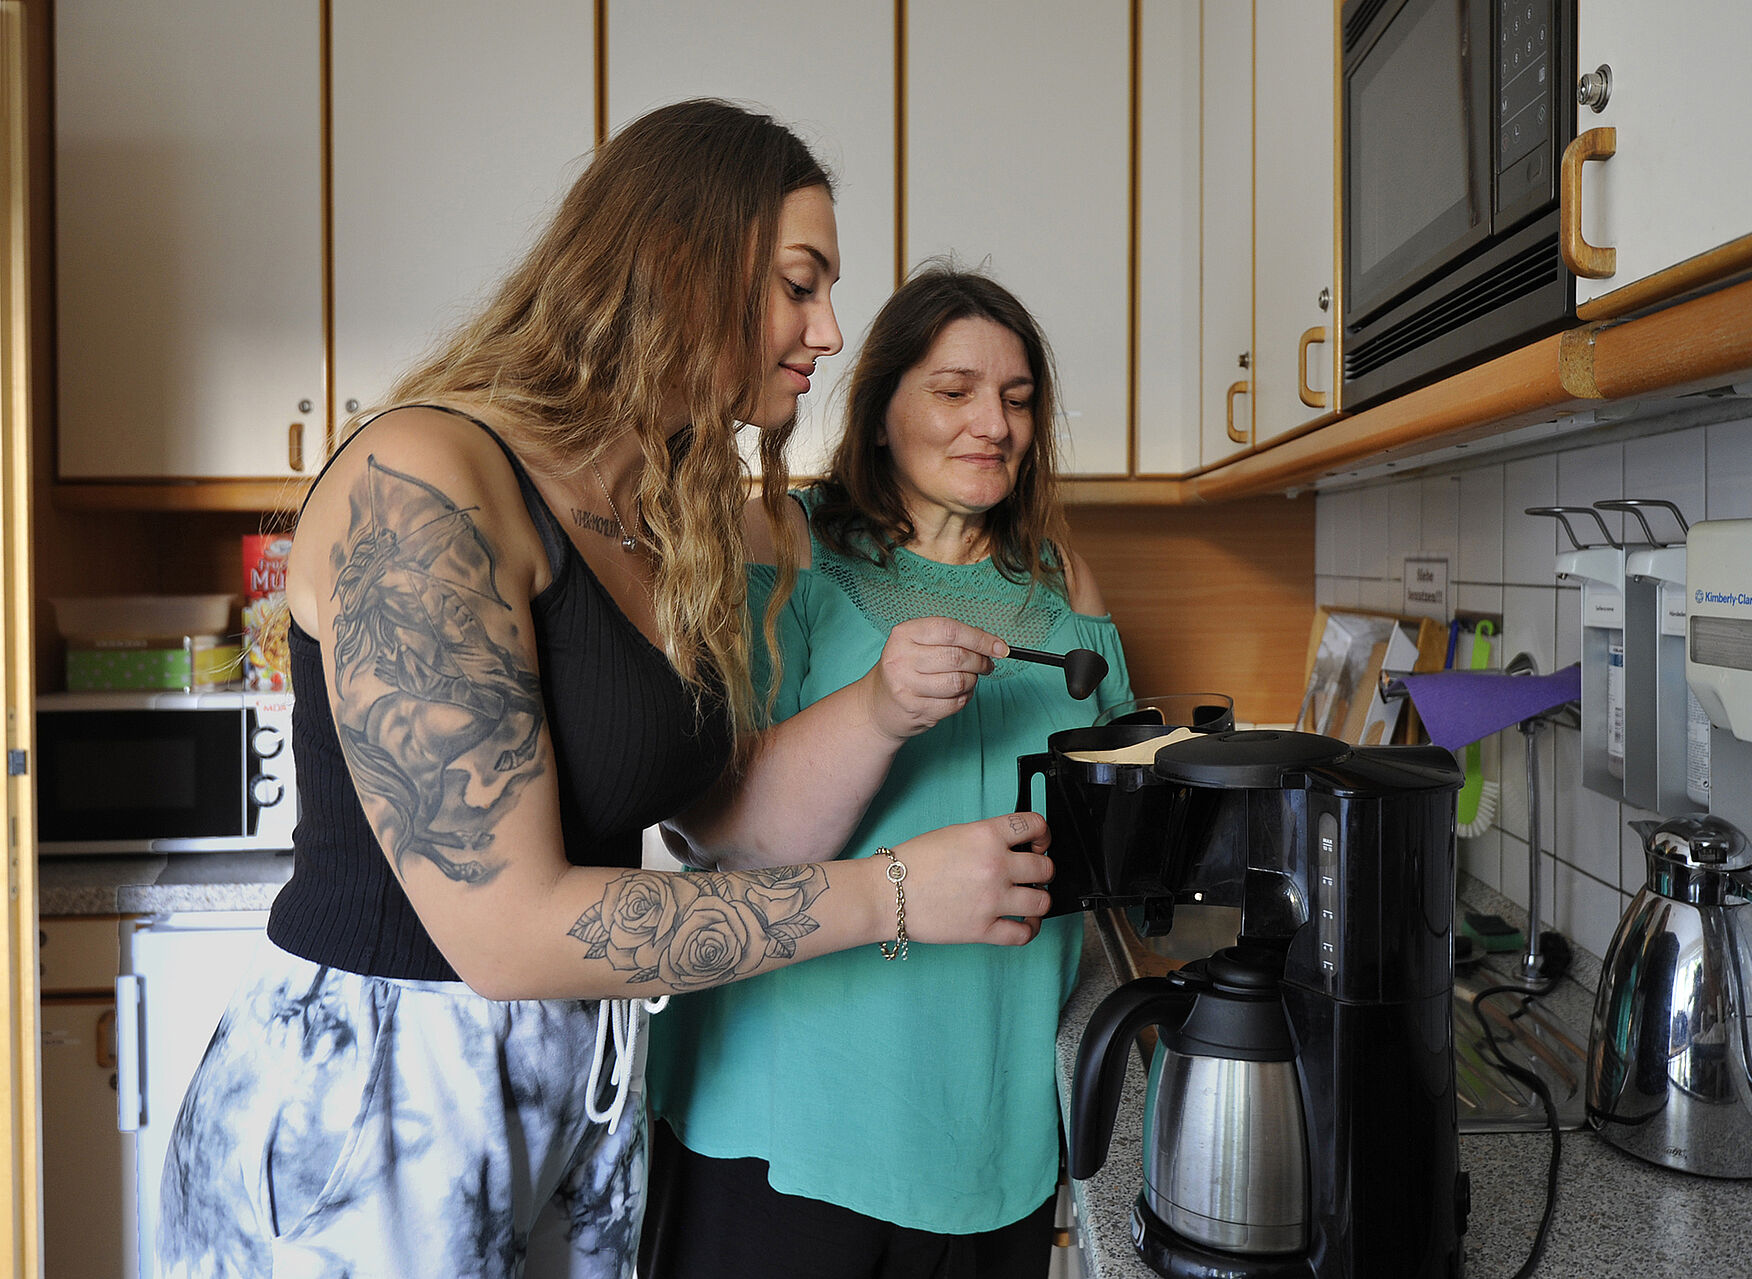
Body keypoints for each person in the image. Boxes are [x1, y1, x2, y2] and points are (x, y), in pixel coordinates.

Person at [155, 102, 1055, 1279]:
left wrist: (887, 713)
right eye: (798, 284)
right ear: (681, 267)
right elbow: (510, 931)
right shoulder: (423, 477)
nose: (829, 331)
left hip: (577, 1088)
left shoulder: (657, 522)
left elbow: (721, 819)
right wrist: (893, 896)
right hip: (376, 1111)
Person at [642, 265, 1134, 1279]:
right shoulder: (778, 547)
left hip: (991, 1127)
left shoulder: (1063, 583)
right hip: (783, 1124)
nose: (991, 422)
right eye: (954, 391)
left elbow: (1113, 830)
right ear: (878, 415)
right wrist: (880, 705)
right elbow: (714, 827)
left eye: (1017, 398)